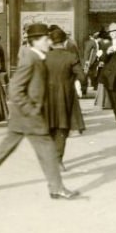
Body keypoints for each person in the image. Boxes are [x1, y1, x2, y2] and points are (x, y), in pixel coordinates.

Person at [0, 23, 80, 200]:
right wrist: (32, 109)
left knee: (5, 147)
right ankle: (57, 188)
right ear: (36, 41)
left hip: (22, 116)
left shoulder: (37, 57)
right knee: (48, 151)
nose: (49, 42)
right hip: (30, 116)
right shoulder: (30, 59)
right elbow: (15, 89)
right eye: (46, 39)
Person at [45, 27, 86, 170]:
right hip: (65, 97)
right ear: (64, 41)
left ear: (51, 42)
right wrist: (73, 80)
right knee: (62, 129)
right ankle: (58, 160)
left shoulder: (43, 57)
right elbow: (82, 77)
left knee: (49, 126)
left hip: (47, 97)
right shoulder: (71, 57)